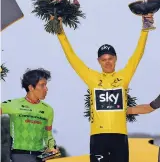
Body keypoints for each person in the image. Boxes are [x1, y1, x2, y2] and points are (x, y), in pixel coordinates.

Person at [55, 14, 154, 162]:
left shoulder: (124, 76)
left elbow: (137, 54)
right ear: (99, 61)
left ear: (116, 58)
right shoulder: (92, 78)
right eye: (104, 59)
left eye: (110, 58)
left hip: (120, 136)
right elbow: (71, 57)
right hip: (98, 137)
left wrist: (145, 27)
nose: (107, 62)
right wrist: (59, 29)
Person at [0, 68, 58, 162]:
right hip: (19, 154)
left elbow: (48, 135)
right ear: (31, 87)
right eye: (42, 85)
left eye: (46, 85)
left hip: (39, 156)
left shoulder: (48, 110)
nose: (46, 89)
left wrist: (52, 147)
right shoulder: (14, 104)